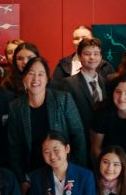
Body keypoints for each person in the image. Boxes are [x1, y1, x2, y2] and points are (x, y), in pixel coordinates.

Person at [8, 56, 87, 188]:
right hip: (32, 174)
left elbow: (78, 137)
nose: (35, 79)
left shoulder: (63, 99)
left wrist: (76, 172)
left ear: (47, 79)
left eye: (41, 74)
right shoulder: (15, 107)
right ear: (24, 78)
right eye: (31, 74)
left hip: (64, 170)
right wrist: (22, 179)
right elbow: (14, 147)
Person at [58, 37, 108, 134]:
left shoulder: (106, 83)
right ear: (80, 56)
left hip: (103, 139)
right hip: (80, 137)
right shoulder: (68, 84)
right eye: (87, 54)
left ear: (101, 57)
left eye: (96, 54)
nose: (92, 57)